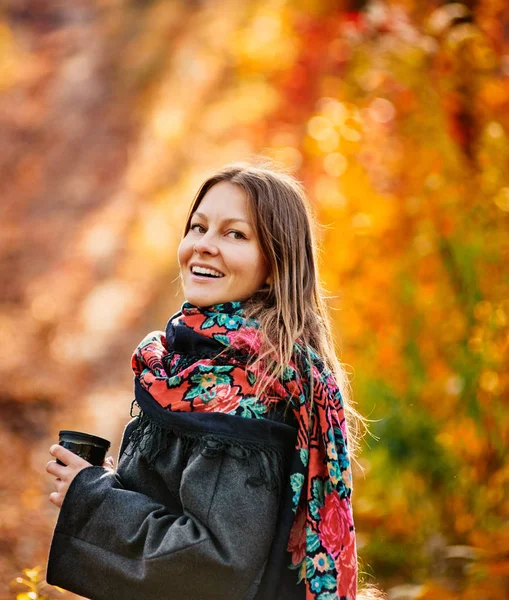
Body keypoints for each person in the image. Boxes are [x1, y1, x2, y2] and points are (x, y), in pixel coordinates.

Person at [46, 161, 361, 600]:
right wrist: (104, 483)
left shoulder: (252, 387)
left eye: (235, 234)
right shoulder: (192, 361)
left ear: (274, 265)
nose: (205, 246)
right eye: (198, 227)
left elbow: (214, 565)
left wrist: (92, 499)